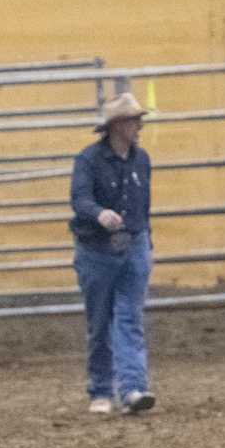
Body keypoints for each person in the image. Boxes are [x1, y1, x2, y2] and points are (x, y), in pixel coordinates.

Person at [69, 92, 156, 417]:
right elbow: (80, 199)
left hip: (133, 245)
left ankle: (132, 388)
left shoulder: (141, 159)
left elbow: (143, 207)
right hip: (97, 250)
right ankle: (102, 389)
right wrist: (99, 214)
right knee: (101, 320)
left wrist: (147, 243)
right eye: (134, 121)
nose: (139, 126)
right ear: (117, 125)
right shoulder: (88, 161)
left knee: (130, 318)